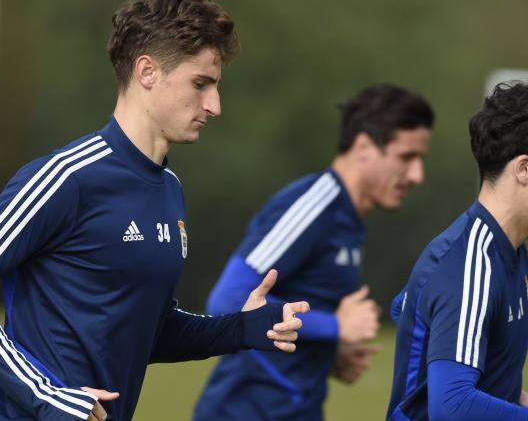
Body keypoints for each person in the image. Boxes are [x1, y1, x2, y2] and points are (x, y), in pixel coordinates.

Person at [0, 0, 309, 421]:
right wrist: (47, 394)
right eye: (200, 84)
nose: (214, 105)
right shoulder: (69, 177)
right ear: (147, 72)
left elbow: (149, 330)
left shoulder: (169, 189)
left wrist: (240, 328)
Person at [194, 84, 434, 421]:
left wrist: (328, 352)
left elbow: (288, 316)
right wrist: (336, 326)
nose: (417, 175)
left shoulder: (350, 219)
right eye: (406, 157)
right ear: (364, 146)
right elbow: (229, 300)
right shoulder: (314, 206)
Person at [387, 82, 528, 420]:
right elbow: (451, 406)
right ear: (524, 169)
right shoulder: (470, 262)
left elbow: (406, 306)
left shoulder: (510, 251)